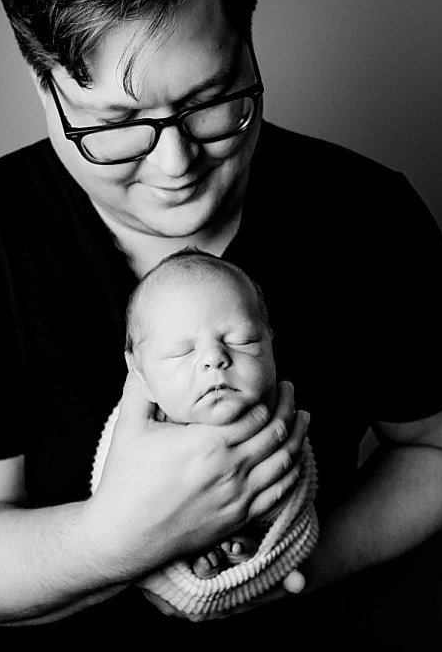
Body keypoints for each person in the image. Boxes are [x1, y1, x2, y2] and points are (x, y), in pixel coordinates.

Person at [0, 0, 442, 652]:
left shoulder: (369, 217)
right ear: (44, 85)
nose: (177, 167)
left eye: (212, 100)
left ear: (248, 42)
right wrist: (119, 539)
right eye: (116, 126)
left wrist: (285, 569)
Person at [102, 247, 316, 602]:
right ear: (138, 371)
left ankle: (256, 560)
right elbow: (115, 514)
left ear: (271, 341)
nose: (215, 359)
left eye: (241, 340)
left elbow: (297, 496)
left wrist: (271, 526)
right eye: (181, 352)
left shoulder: (278, 420)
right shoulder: (140, 437)